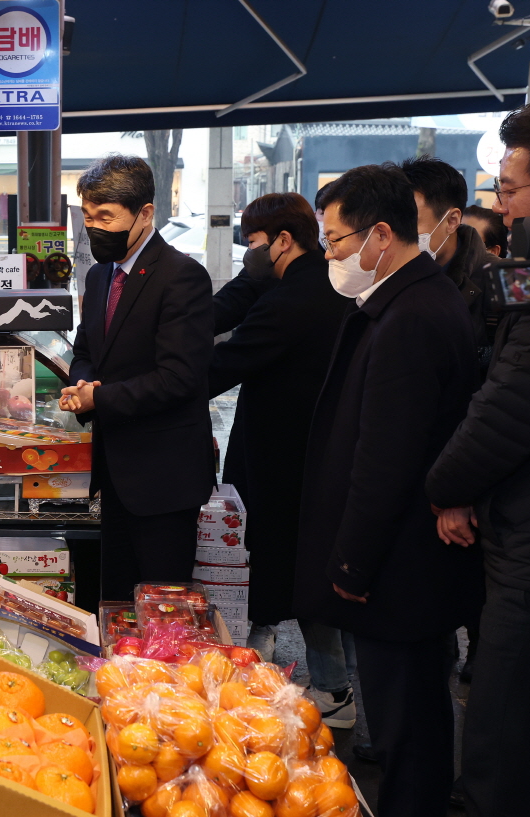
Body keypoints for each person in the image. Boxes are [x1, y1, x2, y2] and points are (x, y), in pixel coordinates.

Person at [296, 163, 481, 817]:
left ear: (381, 234)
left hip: (398, 564)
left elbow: (386, 458)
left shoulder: (412, 314)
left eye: (337, 240)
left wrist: (351, 563)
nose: (331, 255)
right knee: (415, 714)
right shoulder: (407, 298)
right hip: (404, 560)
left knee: (409, 724)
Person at [425, 97, 530, 817]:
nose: (502, 207)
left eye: (510, 190)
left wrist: (445, 484)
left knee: (506, 755)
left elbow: (506, 408)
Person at [206, 194, 356, 724]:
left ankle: (289, 689)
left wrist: (155, 383)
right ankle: (339, 688)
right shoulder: (324, 284)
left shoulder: (291, 299)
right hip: (320, 450)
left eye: (252, 244)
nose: (249, 254)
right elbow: (230, 306)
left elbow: (221, 365)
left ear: (283, 240)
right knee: (315, 571)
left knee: (279, 567)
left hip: (283, 457)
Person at [61, 155, 214, 601]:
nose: (95, 228)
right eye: (89, 217)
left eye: (106, 217)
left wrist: (100, 400)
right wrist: (83, 383)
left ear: (145, 213)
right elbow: (86, 350)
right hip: (114, 472)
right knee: (117, 600)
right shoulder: (98, 275)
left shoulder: (182, 277)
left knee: (163, 604)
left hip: (165, 476)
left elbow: (179, 377)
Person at [399, 156, 494, 370]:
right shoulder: (387, 275)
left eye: (411, 222)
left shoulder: (495, 280)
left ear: (452, 221)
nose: (399, 234)